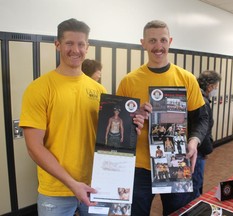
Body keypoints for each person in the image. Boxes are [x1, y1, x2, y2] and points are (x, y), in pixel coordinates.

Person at [19, 18, 145, 216]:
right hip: (56, 190)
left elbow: (104, 139)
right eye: (69, 43)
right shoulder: (39, 89)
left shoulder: (98, 89)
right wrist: (72, 183)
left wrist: (131, 129)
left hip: (96, 184)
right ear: (57, 44)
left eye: (81, 44)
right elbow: (34, 147)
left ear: (88, 47)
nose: (75, 50)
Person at [116, 20, 209, 215]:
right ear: (143, 43)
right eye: (152, 40)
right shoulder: (129, 81)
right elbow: (120, 130)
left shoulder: (186, 78)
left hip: (175, 161)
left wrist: (193, 141)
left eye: (163, 40)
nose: (158, 46)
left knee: (179, 213)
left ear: (170, 41)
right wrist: (135, 119)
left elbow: (202, 118)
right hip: (139, 167)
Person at [192, 70, 222, 198]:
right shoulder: (202, 101)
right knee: (196, 183)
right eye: (215, 87)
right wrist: (206, 150)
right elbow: (203, 129)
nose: (215, 89)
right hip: (198, 150)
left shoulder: (196, 95)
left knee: (195, 181)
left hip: (196, 147)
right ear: (210, 86)